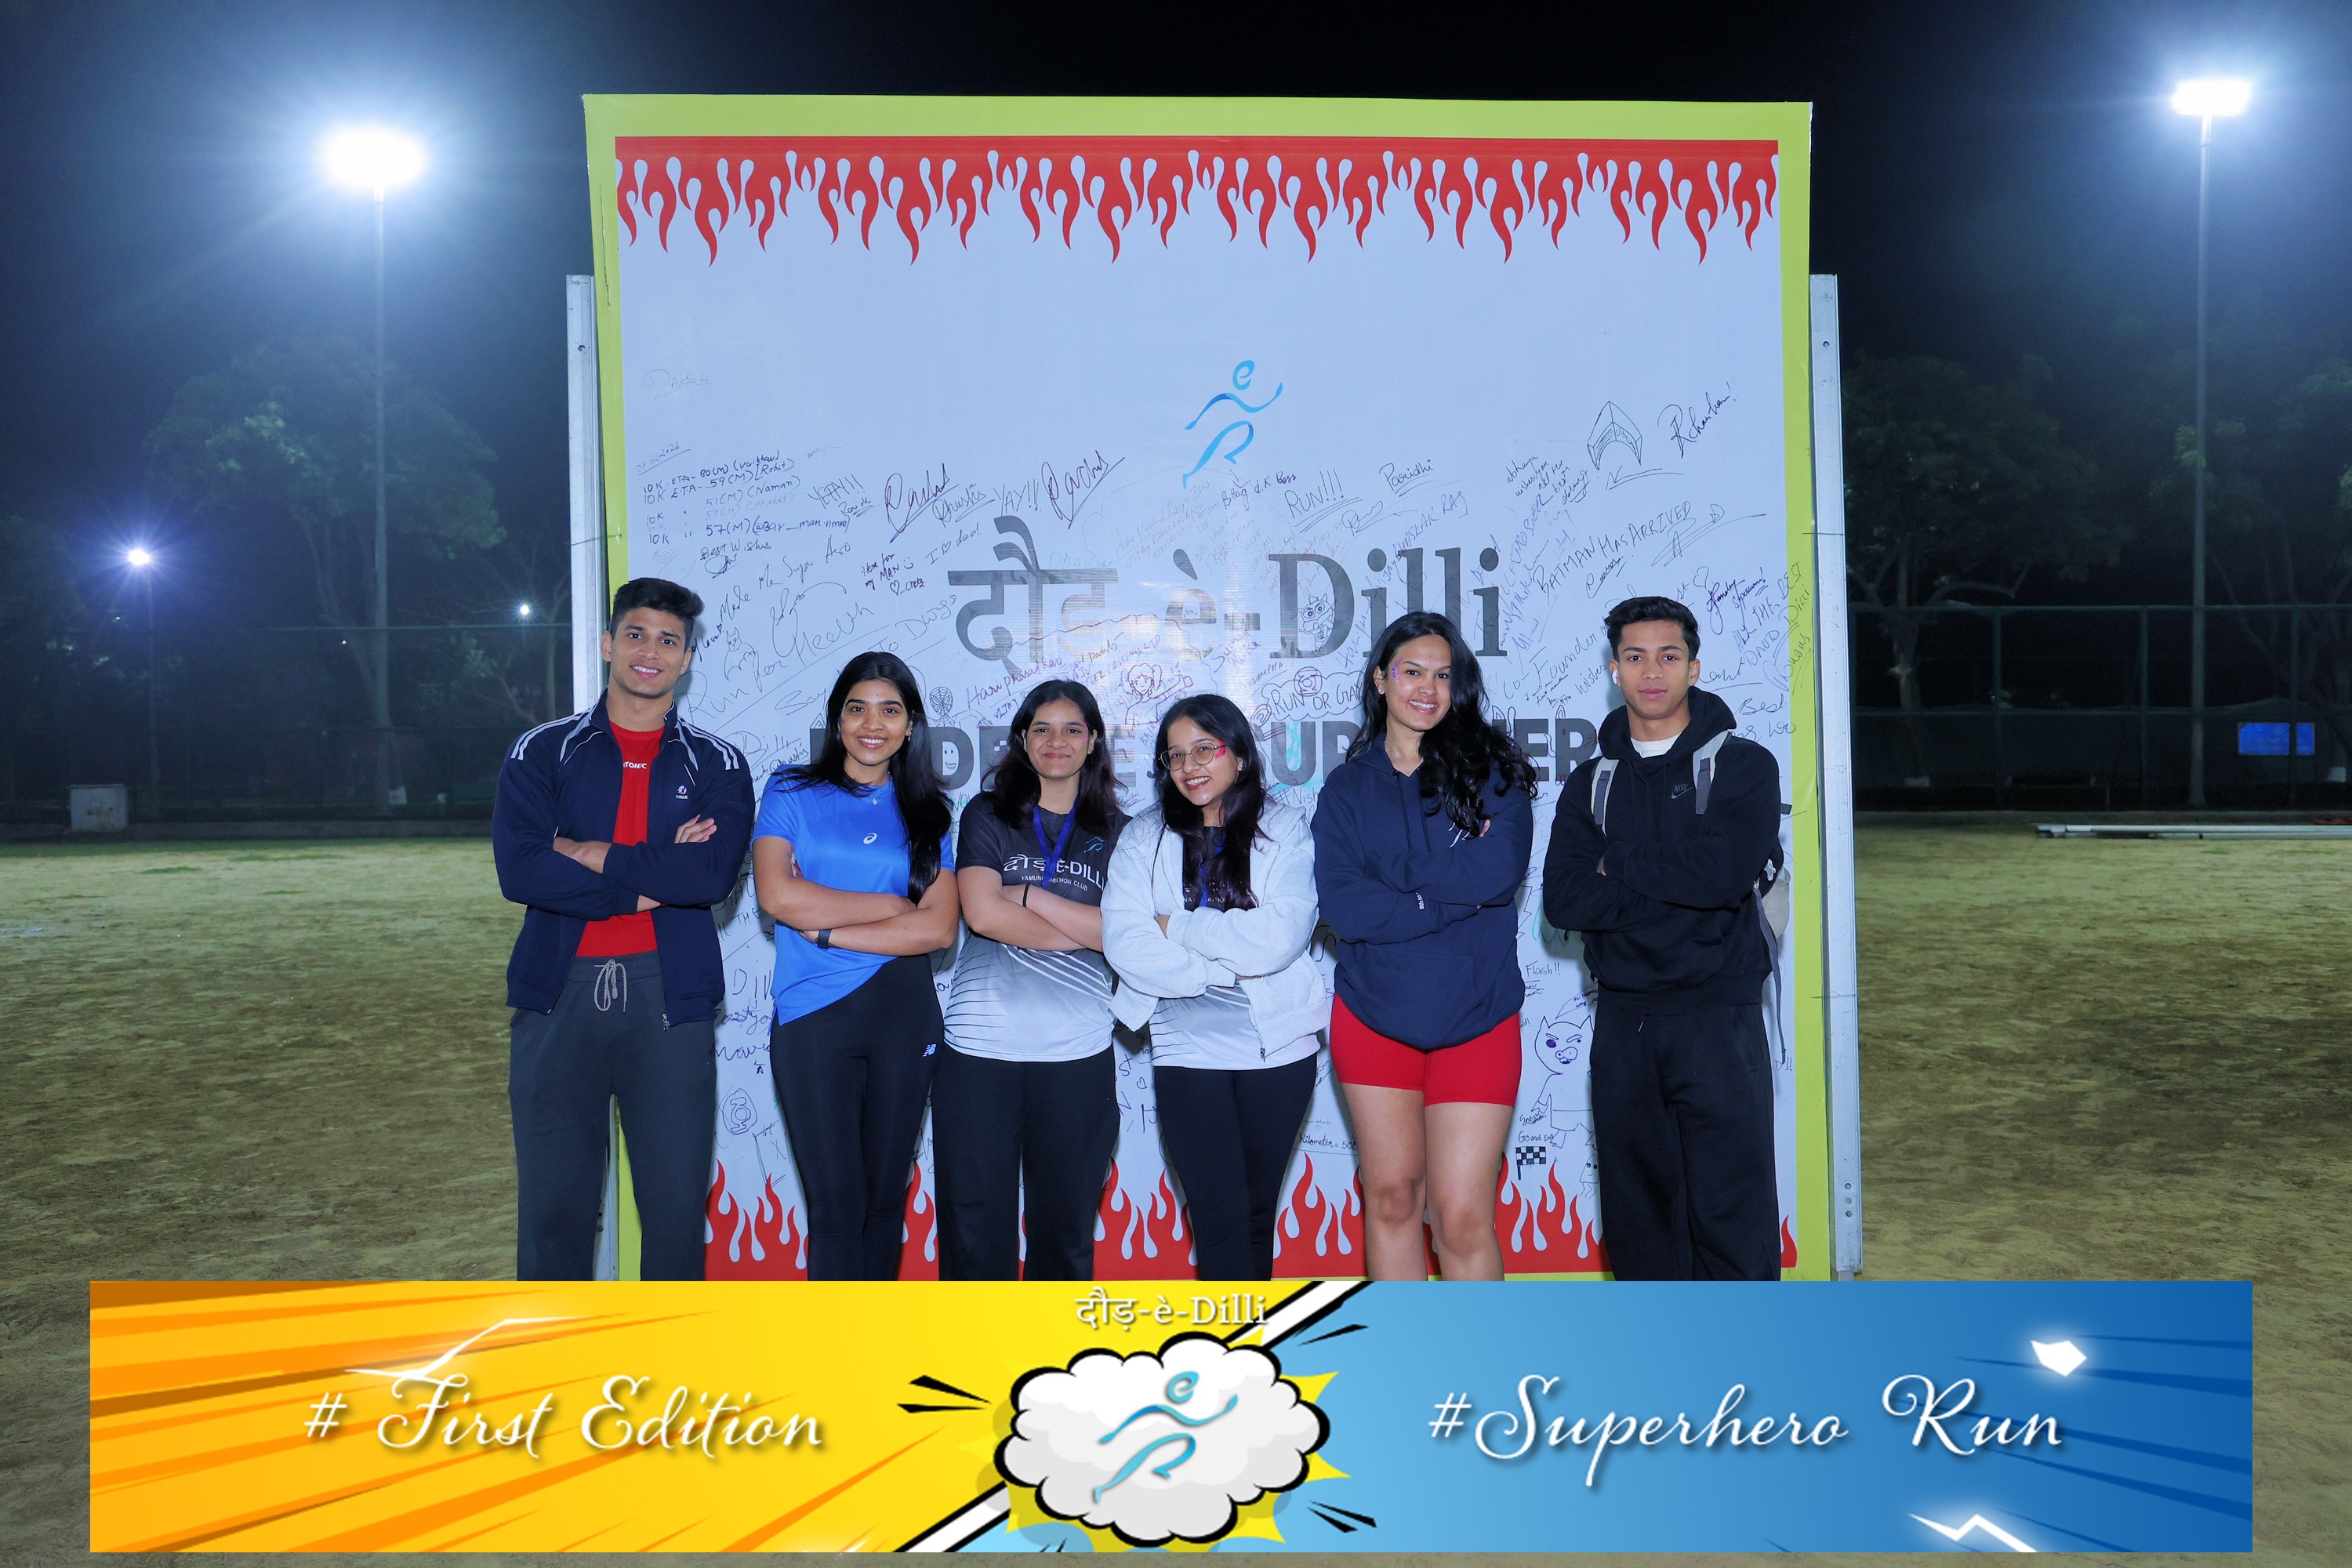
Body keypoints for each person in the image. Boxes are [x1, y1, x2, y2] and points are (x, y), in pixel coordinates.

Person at [492, 576, 754, 1281]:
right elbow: (521, 870)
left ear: (687, 659)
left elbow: (709, 879)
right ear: (608, 643)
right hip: (557, 995)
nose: (650, 651)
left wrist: (585, 852)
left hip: (670, 998)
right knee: (555, 1215)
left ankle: (667, 1348)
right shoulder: (543, 750)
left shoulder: (718, 763)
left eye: (669, 641)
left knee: (673, 1217)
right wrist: (652, 881)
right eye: (636, 634)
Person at [1541, 594, 1784, 1281]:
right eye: (1635, 656)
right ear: (1614, 669)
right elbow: (1565, 899)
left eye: (1669, 656)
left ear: (1694, 668)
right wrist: (1681, 887)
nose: (1652, 671)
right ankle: (1657, 1345)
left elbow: (1722, 876)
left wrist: (1615, 861)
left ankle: (1749, 1349)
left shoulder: (1745, 766)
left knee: (1733, 1218)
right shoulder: (1590, 783)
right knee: (1640, 1224)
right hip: (1625, 1024)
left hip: (1720, 1019)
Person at [1312, 612, 1537, 1280]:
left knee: (1462, 1216)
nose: (1428, 689)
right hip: (1374, 1015)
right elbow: (1345, 908)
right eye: (1412, 672)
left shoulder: (1496, 775)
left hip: (1478, 1015)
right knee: (1391, 1199)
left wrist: (1396, 878)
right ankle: (1405, 1345)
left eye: (1443, 676)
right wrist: (1449, 895)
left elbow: (1498, 874)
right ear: (1381, 679)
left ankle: (1473, 1350)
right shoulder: (1346, 789)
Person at [1102, 694, 1328, 1281]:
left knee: (1255, 1215)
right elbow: (1126, 943)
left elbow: (1280, 938)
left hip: (1278, 1047)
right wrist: (1218, 970)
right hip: (1186, 1048)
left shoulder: (1285, 828)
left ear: (1241, 756)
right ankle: (1232, 1338)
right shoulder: (1144, 835)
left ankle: (1254, 1334)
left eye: (1205, 749)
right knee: (1218, 1217)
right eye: (1175, 755)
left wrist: (1178, 928)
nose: (1190, 766)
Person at [751, 651, 960, 1280]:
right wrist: (891, 906)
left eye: (890, 710)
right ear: (837, 719)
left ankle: (875, 1337)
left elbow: (938, 929)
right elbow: (776, 896)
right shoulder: (791, 789)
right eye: (857, 708)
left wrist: (826, 928)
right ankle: (835, 1340)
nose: (873, 724)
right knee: (837, 1206)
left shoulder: (930, 811)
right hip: (813, 1017)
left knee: (883, 1200)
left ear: (911, 724)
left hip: (904, 1015)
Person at [935, 680, 1127, 1279]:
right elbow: (983, 915)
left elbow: (1127, 935)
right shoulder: (987, 813)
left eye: (1072, 730)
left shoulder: (1120, 831)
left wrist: (1026, 894)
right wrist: (1085, 929)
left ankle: (1051, 1345)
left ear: (1093, 741)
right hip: (979, 1051)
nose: (1056, 741)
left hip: (1076, 1055)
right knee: (973, 1236)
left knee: (1065, 1235)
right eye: (1041, 728)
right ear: (1022, 739)